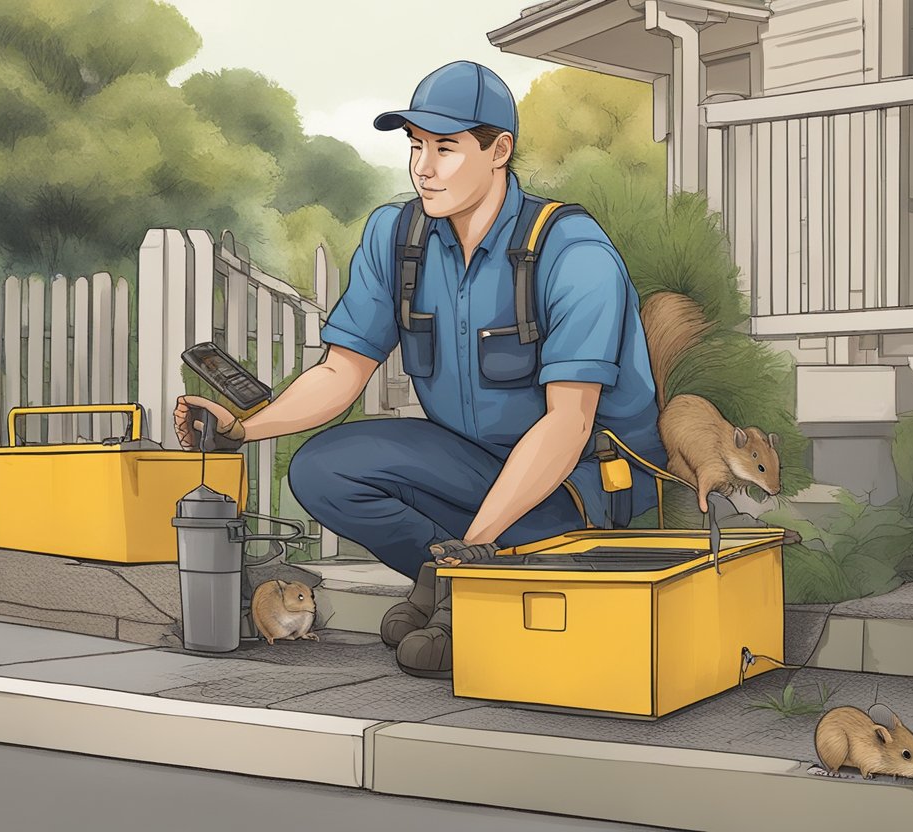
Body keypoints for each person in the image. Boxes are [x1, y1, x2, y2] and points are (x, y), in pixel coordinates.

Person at [174, 61, 666, 678]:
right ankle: (455, 592)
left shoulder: (573, 251)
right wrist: (245, 427)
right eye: (414, 147)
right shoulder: (396, 235)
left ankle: (469, 594)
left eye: (445, 148)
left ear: (499, 151)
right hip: (470, 461)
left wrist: (475, 545)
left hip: (579, 480)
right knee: (323, 469)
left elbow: (567, 425)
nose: (422, 168)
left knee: (519, 513)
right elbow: (341, 372)